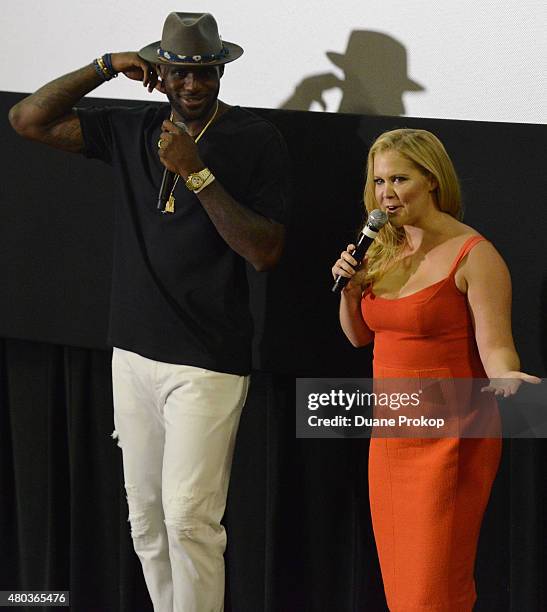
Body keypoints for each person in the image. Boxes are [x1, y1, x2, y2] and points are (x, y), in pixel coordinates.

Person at [9, 12, 289, 612]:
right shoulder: (130, 127)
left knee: (190, 520)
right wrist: (105, 66)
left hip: (207, 360)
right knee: (145, 523)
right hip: (132, 352)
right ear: (159, 73)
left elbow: (265, 253)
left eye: (205, 72)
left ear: (221, 70)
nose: (192, 85)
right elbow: (27, 119)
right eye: (180, 72)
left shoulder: (254, 139)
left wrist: (198, 174)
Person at [331, 128, 539, 611]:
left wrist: (508, 377)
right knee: (403, 586)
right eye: (379, 182)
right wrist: (349, 289)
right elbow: (360, 336)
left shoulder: (476, 255)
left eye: (399, 179)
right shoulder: (383, 249)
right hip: (393, 436)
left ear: (432, 180)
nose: (386, 193)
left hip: (451, 438)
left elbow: (497, 348)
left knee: (434, 588)